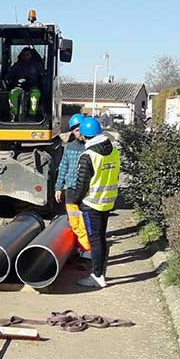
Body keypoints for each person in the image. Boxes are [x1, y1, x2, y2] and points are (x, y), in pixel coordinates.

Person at [66, 117, 120, 288]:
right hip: (107, 202)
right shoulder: (114, 151)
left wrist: (75, 199)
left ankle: (97, 276)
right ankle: (99, 273)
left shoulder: (88, 156)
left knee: (95, 240)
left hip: (92, 204)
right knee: (101, 238)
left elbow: (81, 184)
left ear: (85, 134)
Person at [54, 114, 91, 253]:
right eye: (75, 130)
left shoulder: (91, 148)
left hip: (87, 191)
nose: (79, 132)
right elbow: (63, 167)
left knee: (86, 223)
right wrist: (58, 188)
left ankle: (86, 251)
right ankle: (78, 248)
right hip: (71, 190)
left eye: (81, 129)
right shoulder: (69, 147)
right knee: (75, 222)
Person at [6, 48, 44, 120]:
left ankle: (32, 115)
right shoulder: (16, 66)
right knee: (12, 93)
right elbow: (9, 76)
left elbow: (43, 76)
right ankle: (14, 115)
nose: (25, 57)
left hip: (33, 87)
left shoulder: (37, 66)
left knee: (35, 94)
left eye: (27, 55)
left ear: (31, 55)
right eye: (23, 55)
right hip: (19, 87)